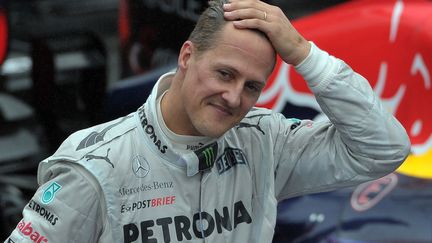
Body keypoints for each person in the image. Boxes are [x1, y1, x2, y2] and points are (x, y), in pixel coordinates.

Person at [5, 0, 410, 242]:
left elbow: (383, 148)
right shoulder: (96, 166)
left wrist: (306, 55)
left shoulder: (265, 141)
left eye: (252, 86)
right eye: (224, 74)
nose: (234, 97)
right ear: (186, 56)